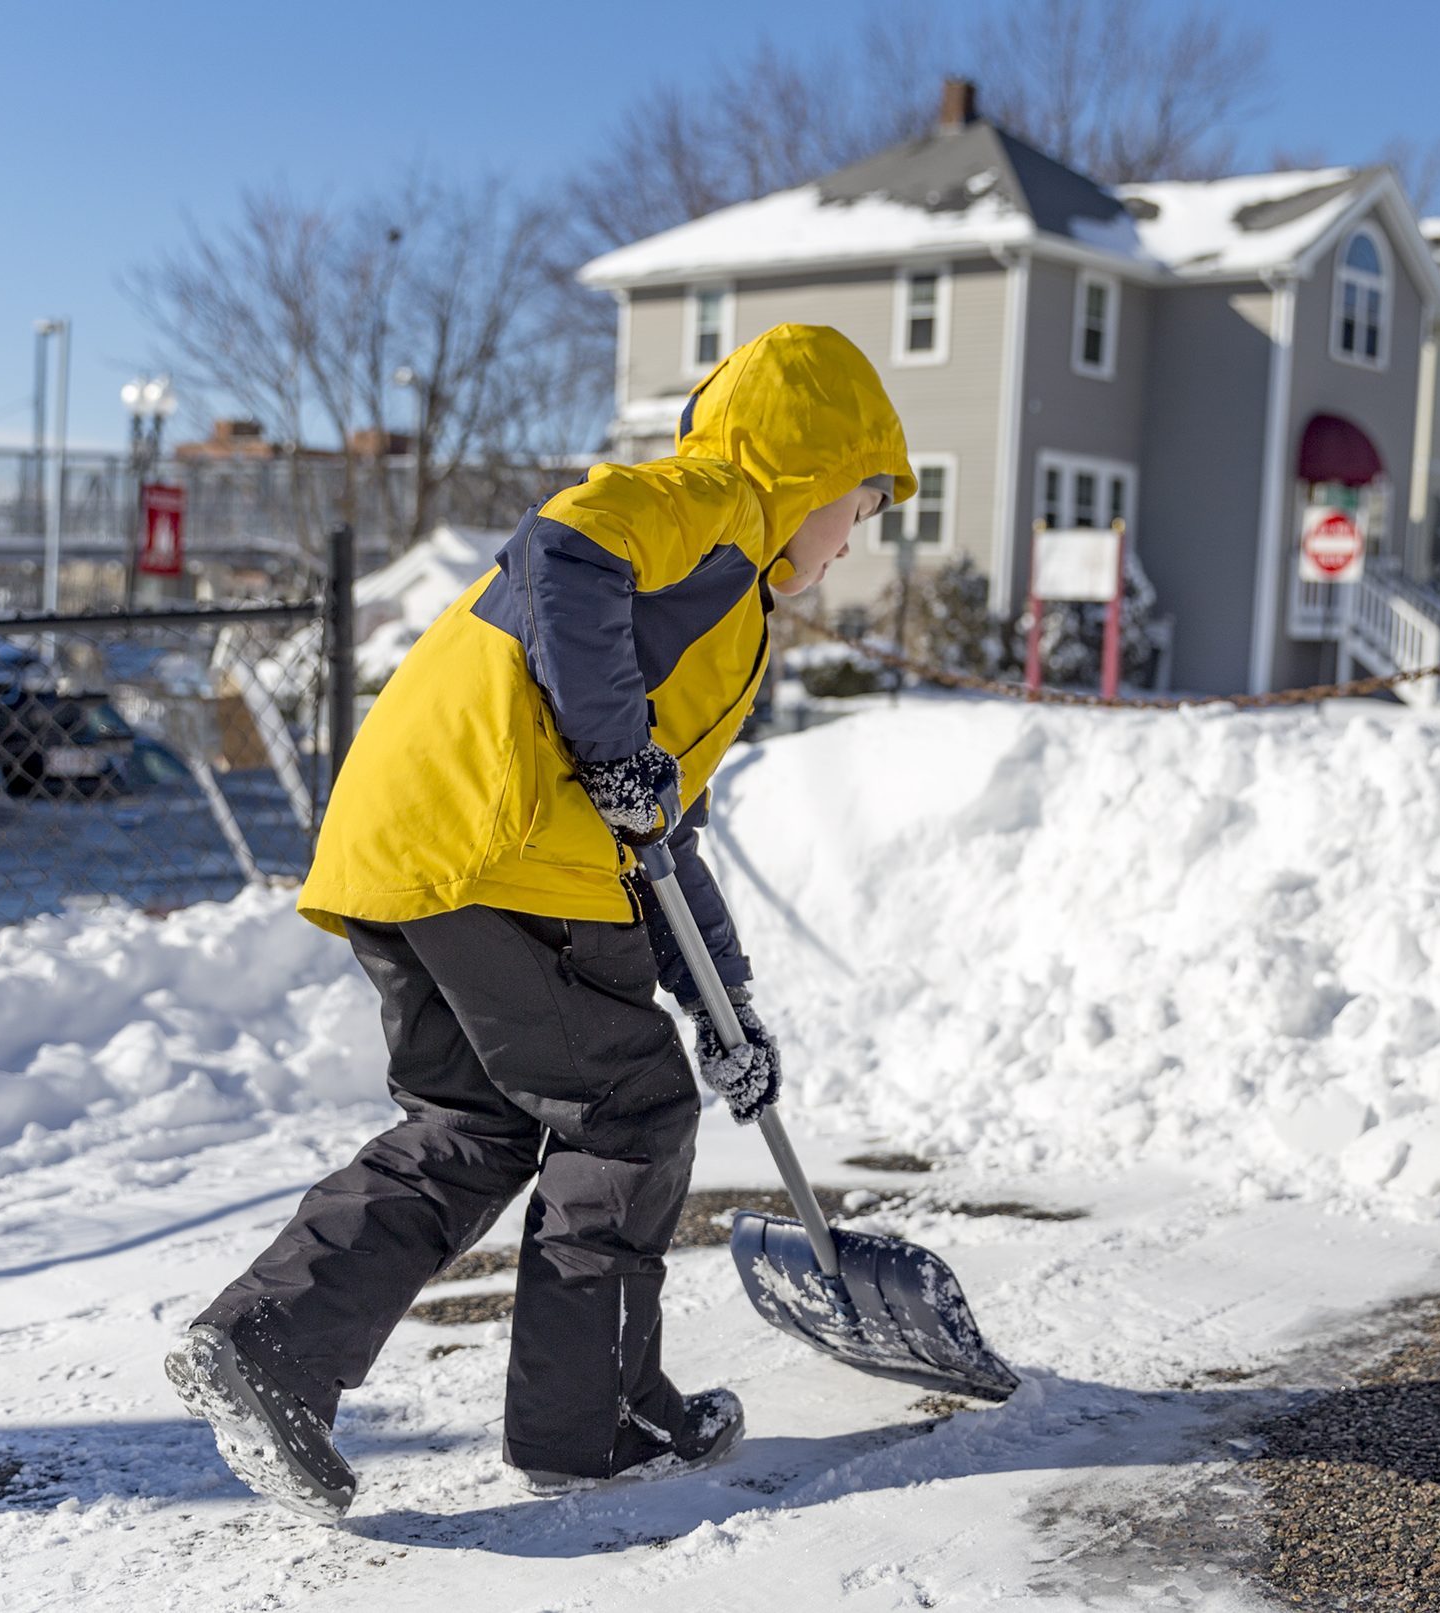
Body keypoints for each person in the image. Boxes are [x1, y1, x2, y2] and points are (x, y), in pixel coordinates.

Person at [164, 323, 914, 1521]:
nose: (852, 538)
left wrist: (727, 1009)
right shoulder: (714, 504)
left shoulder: (723, 609)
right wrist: (616, 753)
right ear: (811, 470)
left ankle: (270, 1348)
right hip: (507, 848)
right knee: (629, 1111)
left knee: (472, 1123)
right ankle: (590, 1420)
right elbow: (562, 550)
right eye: (860, 506)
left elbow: (660, 832)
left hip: (409, 834)